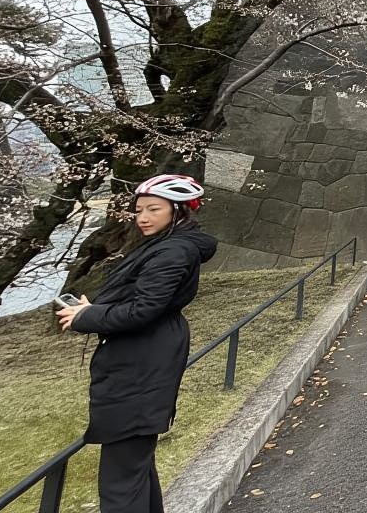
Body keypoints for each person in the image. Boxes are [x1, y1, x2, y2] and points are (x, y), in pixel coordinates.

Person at [57, 175, 218, 513]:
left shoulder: (173, 251)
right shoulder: (165, 244)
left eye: (154, 209)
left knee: (120, 482)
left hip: (141, 363)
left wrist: (87, 316)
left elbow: (144, 310)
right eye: (139, 209)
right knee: (134, 470)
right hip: (144, 357)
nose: (143, 217)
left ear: (178, 211)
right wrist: (95, 308)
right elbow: (142, 299)